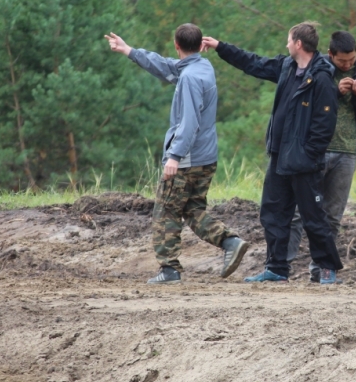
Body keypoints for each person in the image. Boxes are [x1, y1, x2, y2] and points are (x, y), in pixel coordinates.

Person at [105, 24, 249, 285]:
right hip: (206, 157)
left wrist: (174, 156)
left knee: (165, 211)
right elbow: (165, 66)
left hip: (187, 159)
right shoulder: (202, 67)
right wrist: (129, 50)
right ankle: (230, 242)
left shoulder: (190, 78)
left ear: (176, 44)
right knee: (193, 210)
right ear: (199, 46)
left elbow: (189, 122)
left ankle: (169, 269)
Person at [201, 22, 344, 283]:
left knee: (313, 218)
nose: (286, 44)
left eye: (289, 40)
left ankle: (326, 269)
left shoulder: (322, 77)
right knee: (273, 213)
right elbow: (252, 63)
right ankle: (277, 269)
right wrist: (221, 47)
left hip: (304, 162)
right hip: (279, 157)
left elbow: (324, 125)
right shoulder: (286, 67)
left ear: (298, 43)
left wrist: (308, 155)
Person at [286, 31, 356, 282]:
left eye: (351, 60)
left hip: (347, 152)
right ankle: (281, 265)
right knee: (297, 212)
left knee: (332, 215)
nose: (347, 65)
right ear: (330, 54)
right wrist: (335, 92)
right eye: (342, 61)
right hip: (316, 150)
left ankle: (322, 267)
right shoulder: (318, 71)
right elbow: (305, 106)